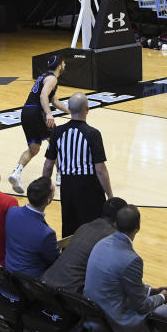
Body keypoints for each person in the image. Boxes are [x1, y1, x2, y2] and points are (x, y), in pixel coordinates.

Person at [84, 205, 167, 332]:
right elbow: (141, 306)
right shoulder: (132, 260)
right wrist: (163, 297)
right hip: (117, 324)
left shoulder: (101, 244)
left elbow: (120, 284)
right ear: (138, 227)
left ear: (115, 224)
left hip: (94, 317)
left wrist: (151, 291)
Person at [42, 92, 113, 237]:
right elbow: (100, 170)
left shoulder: (58, 132)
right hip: (89, 188)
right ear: (87, 109)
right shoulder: (93, 134)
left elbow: (48, 165)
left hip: (67, 187)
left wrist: (45, 189)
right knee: (92, 230)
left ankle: (68, 257)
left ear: (69, 108)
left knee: (69, 228)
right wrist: (110, 195)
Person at [9, 55, 68, 194]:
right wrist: (48, 113)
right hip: (37, 112)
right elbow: (43, 96)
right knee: (56, 141)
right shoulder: (52, 78)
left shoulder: (44, 77)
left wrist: (70, 111)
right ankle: (60, 175)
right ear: (59, 66)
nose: (65, 65)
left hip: (26, 112)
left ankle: (16, 173)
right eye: (64, 63)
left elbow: (55, 101)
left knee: (33, 148)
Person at [42, 197, 127, 293]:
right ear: (121, 218)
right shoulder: (112, 237)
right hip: (68, 292)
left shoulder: (84, 226)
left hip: (45, 282)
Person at [3, 176, 59, 278]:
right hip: (30, 281)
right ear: (49, 201)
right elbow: (54, 260)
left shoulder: (12, 211)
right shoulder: (46, 234)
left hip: (9, 271)